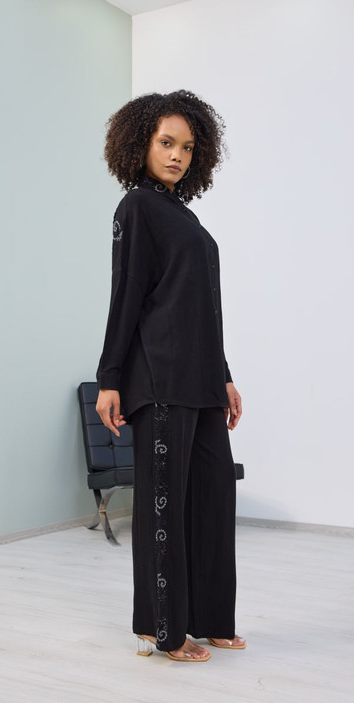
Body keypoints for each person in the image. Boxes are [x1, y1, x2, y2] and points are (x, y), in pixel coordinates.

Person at [96, 90, 245, 662]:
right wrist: (110, 378)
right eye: (166, 143)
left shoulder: (185, 215)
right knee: (164, 507)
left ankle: (210, 618)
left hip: (202, 382)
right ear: (141, 144)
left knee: (213, 499)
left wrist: (224, 376)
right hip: (159, 379)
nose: (177, 155)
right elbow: (127, 295)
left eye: (186, 147)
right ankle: (163, 629)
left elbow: (203, 308)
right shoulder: (136, 207)